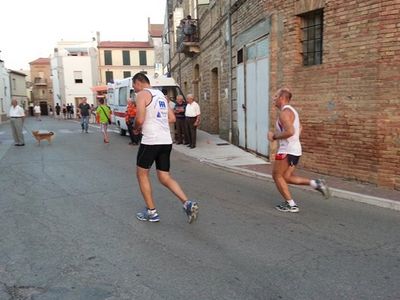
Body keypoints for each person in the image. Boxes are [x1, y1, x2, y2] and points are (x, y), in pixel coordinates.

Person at [132, 73, 199, 223]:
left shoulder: (142, 94)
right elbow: (172, 118)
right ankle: (187, 203)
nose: (134, 89)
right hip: (165, 141)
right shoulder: (162, 96)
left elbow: (140, 119)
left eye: (134, 85)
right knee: (164, 177)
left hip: (150, 140)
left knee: (142, 174)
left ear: (139, 82)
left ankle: (151, 212)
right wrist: (157, 121)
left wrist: (136, 128)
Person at [267, 88, 331, 213]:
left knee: (276, 175)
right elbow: (300, 128)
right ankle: (316, 183)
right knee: (286, 177)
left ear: (282, 98)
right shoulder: (293, 111)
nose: (273, 99)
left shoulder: (285, 112)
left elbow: (290, 131)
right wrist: (294, 141)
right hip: (295, 149)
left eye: (275, 96)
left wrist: (274, 136)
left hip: (287, 150)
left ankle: (291, 204)